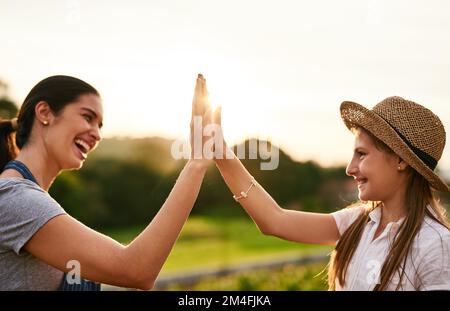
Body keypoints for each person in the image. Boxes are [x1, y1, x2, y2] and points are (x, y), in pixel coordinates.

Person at [201, 76, 450, 290]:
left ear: (400, 161)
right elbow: (274, 220)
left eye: (362, 154)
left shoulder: (435, 244)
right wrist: (221, 153)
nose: (350, 168)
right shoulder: (356, 223)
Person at [0, 74, 216, 290]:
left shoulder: (29, 200)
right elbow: (135, 270)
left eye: (100, 125)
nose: (97, 134)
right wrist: (196, 164)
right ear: (45, 113)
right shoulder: (17, 199)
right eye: (88, 117)